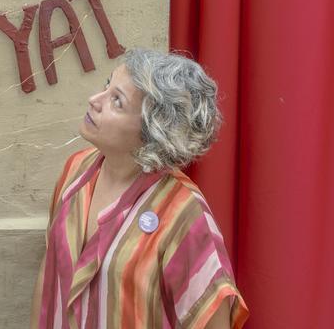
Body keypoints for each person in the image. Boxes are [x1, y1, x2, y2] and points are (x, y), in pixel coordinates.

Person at [30, 49, 248, 329]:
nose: (95, 101)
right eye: (106, 86)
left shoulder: (184, 214)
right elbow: (48, 277)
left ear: (152, 133)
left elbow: (210, 320)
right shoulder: (75, 171)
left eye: (116, 101)